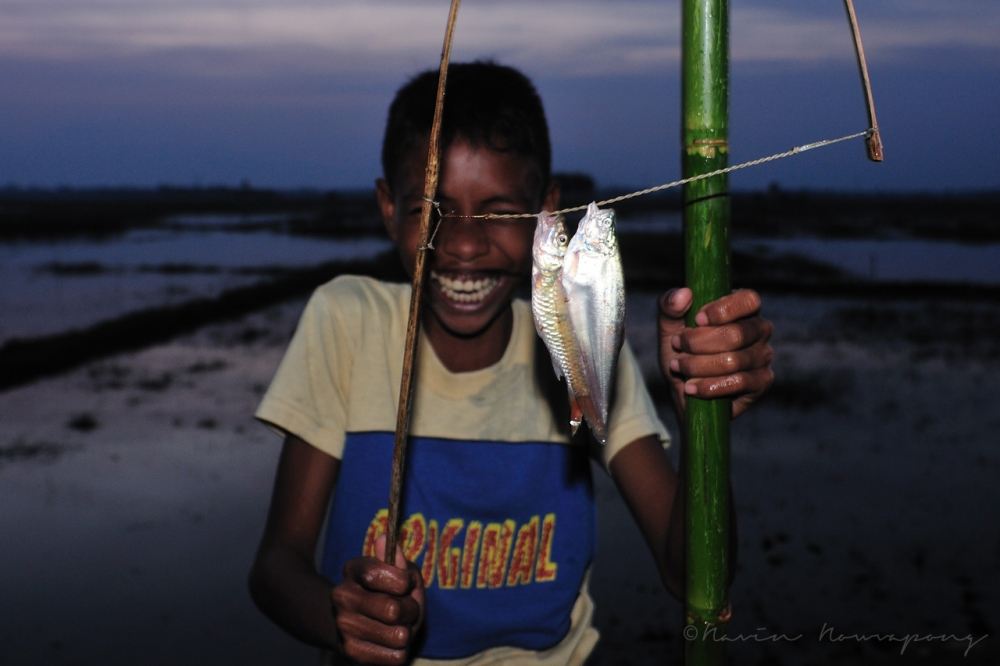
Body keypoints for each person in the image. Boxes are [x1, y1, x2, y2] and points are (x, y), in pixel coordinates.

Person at [249, 61, 774, 665]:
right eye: (431, 210)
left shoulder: (583, 342)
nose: (465, 245)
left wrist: (703, 424)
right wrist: (342, 617)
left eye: (499, 213)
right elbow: (275, 566)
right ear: (388, 206)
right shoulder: (347, 320)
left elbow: (694, 577)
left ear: (545, 210)